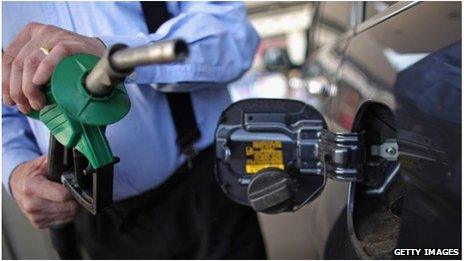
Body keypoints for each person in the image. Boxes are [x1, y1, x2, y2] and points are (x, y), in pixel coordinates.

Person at [2, 1, 266, 259]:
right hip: (91, 223)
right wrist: (15, 171)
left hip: (203, 195)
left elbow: (234, 36)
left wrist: (115, 52)